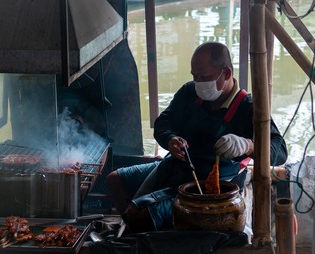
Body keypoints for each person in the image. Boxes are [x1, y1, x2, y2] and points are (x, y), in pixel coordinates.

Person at [106, 42, 288, 233]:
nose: (198, 82)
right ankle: (141, 233)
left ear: (226, 73)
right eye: (195, 76)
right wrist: (170, 139)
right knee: (114, 180)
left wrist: (248, 145)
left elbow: (280, 151)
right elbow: (163, 122)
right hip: (174, 167)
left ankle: (148, 236)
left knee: (137, 213)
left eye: (205, 77)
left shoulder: (248, 108)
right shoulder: (190, 92)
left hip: (208, 188)